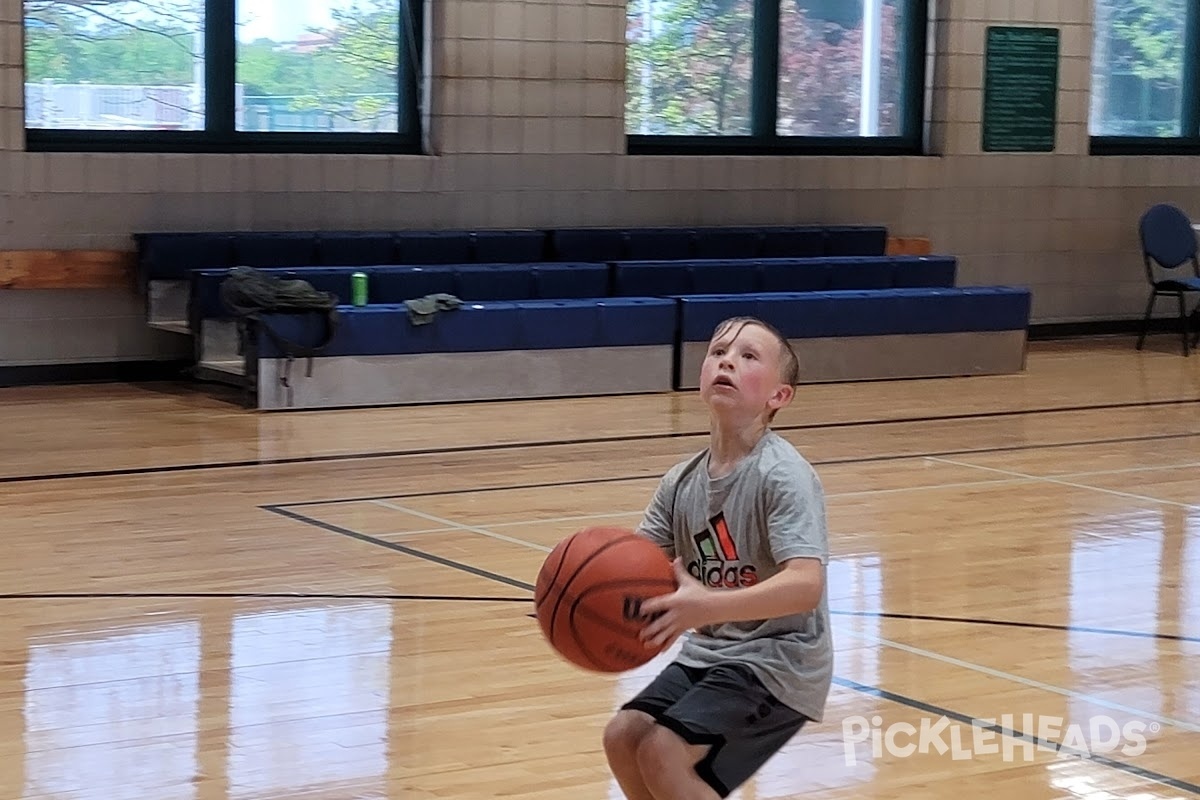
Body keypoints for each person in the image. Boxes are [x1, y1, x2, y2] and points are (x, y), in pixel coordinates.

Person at [602, 316, 833, 800]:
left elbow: (805, 585)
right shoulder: (681, 481)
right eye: (718, 351)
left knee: (663, 751)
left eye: (749, 356)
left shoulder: (784, 475)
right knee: (624, 737)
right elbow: (637, 565)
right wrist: (581, 596)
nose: (727, 359)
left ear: (779, 396)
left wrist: (705, 606)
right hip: (713, 653)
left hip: (780, 662)